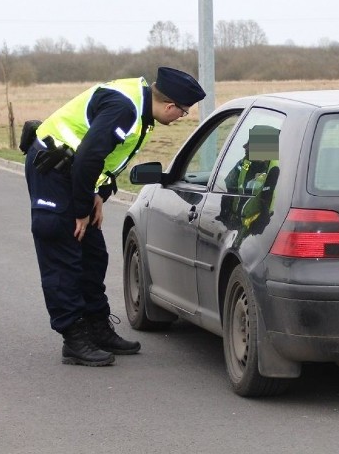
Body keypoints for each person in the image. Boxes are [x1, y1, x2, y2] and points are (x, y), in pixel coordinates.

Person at [23, 67, 206, 367]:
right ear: (171, 106)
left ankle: (97, 325)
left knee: (93, 255)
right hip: (53, 172)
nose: (180, 119)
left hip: (75, 177)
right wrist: (81, 209)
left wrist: (99, 195)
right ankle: (73, 337)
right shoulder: (125, 109)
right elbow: (87, 158)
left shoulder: (140, 109)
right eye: (183, 113)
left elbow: (104, 160)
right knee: (62, 253)